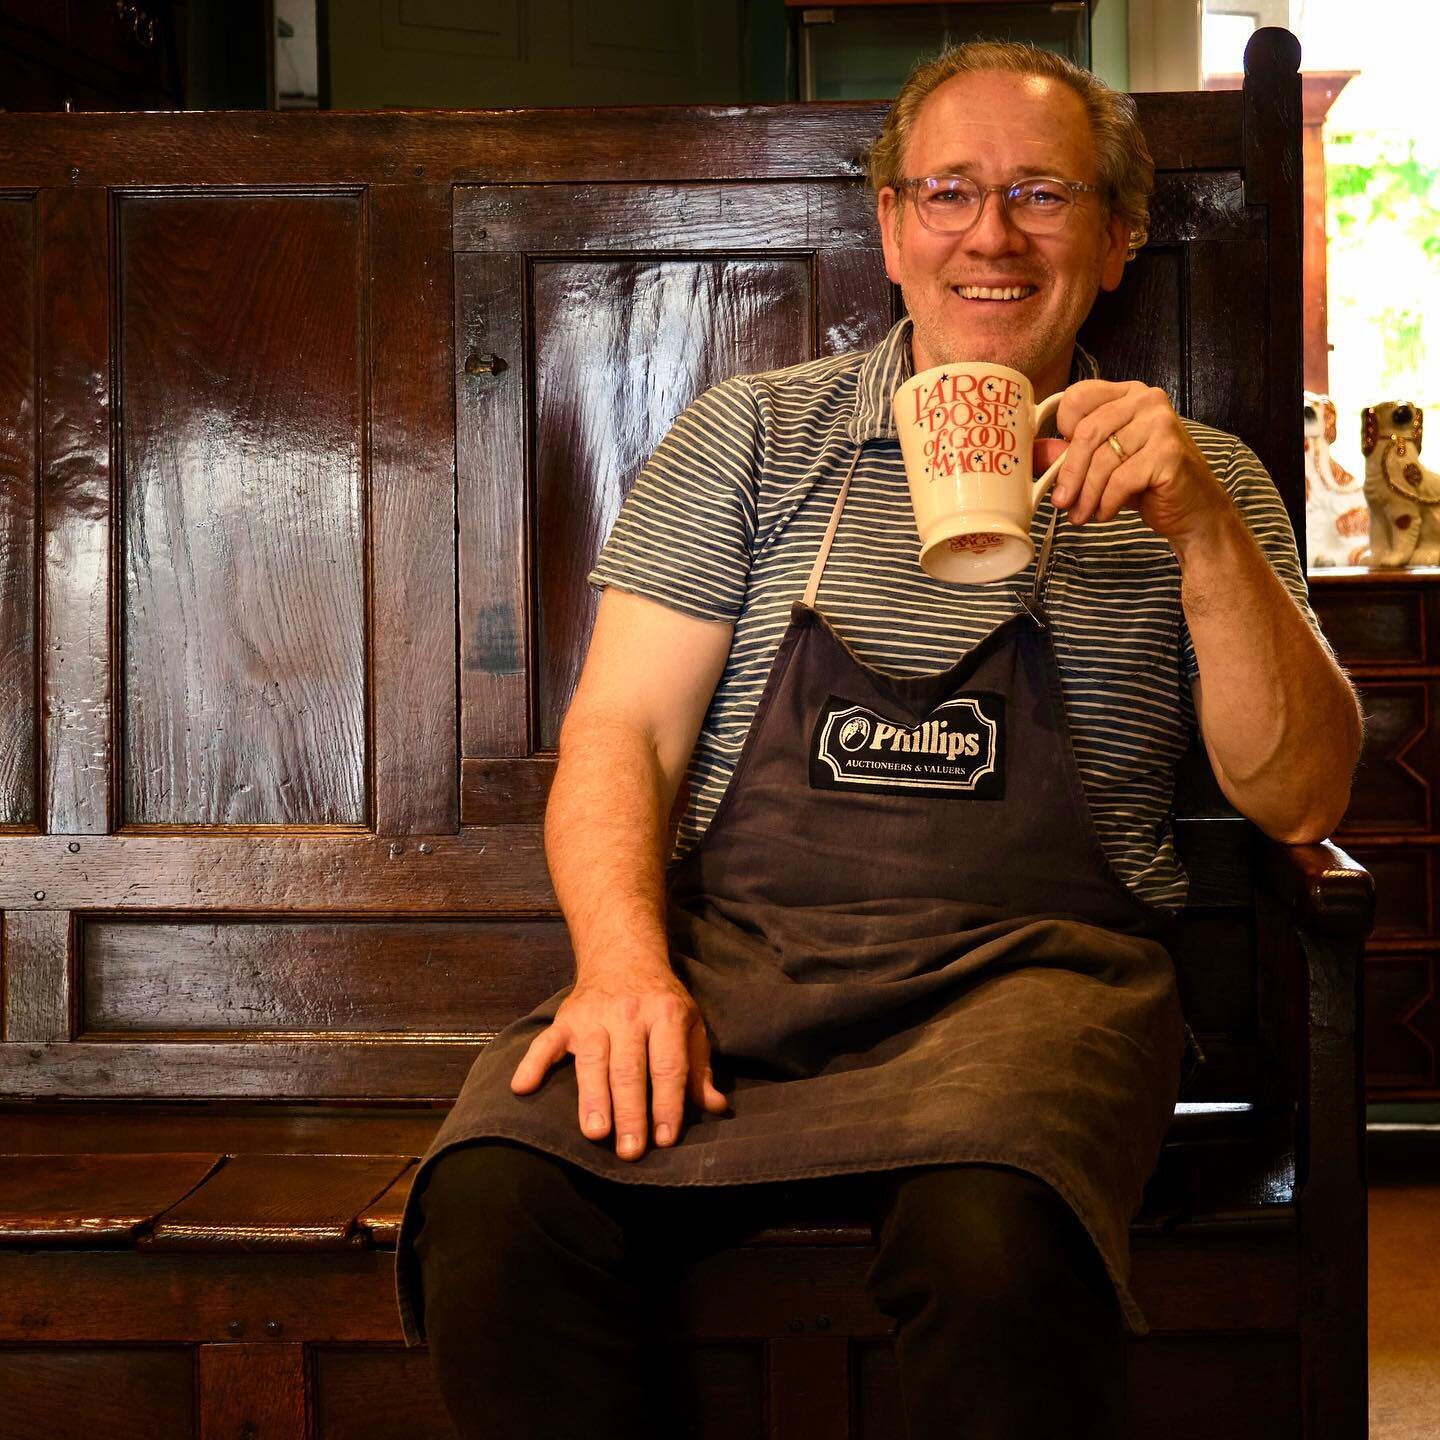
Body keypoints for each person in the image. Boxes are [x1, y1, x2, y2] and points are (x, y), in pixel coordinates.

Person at [396, 41, 1363, 1439]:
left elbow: (1300, 796)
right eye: (949, 192)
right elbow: (621, 734)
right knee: (493, 1206)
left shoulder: (1203, 479)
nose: (990, 232)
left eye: (1042, 192)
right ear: (891, 228)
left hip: (1039, 993)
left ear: (1118, 240)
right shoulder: (748, 441)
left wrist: (1202, 526)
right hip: (744, 972)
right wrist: (619, 971)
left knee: (998, 1246)